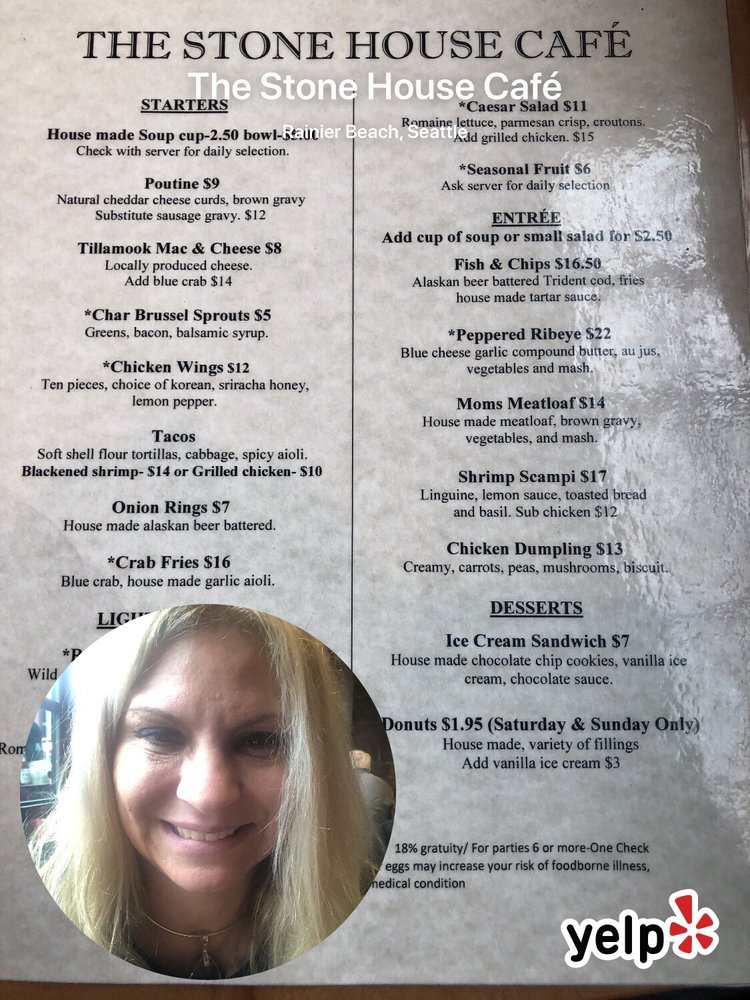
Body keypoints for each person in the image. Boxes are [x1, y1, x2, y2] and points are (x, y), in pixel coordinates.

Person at [28, 605, 375, 979]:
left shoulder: (373, 908)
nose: (209, 795)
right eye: (160, 735)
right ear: (102, 755)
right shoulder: (24, 917)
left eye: (261, 740)